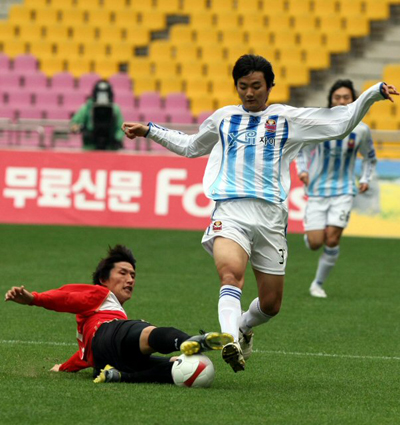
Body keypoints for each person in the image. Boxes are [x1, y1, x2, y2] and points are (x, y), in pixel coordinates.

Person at [121, 54, 398, 373]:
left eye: (256, 86)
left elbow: (341, 123)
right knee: (230, 275)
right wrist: (150, 130)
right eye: (243, 86)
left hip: (270, 220)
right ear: (236, 87)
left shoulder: (288, 118)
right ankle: (230, 340)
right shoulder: (223, 118)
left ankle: (242, 327)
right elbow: (191, 146)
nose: (249, 93)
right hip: (231, 210)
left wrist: (373, 92)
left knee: (270, 304)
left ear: (269, 87)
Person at [4, 245, 232, 384]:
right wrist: (35, 299)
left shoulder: (100, 318)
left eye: (133, 275)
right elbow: (68, 298)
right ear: (104, 279)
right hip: (111, 335)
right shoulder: (100, 294)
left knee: (165, 367)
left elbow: (86, 354)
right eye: (123, 273)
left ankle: (122, 375)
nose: (130, 279)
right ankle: (189, 340)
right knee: (144, 331)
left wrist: (63, 368)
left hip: (106, 359)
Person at [296, 79, 377, 298]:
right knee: (315, 243)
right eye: (337, 97)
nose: (342, 101)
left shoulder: (361, 130)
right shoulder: (320, 125)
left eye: (346, 97)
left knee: (332, 239)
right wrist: (303, 170)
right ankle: (313, 237)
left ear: (353, 100)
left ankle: (317, 284)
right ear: (331, 100)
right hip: (317, 189)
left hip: (344, 190)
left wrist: (366, 178)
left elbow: (370, 158)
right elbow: (303, 149)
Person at [70, 80, 125, 151]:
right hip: (89, 148)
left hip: (110, 149)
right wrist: (81, 129)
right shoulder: (87, 107)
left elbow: (121, 127)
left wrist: (117, 139)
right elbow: (74, 124)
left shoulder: (115, 108)